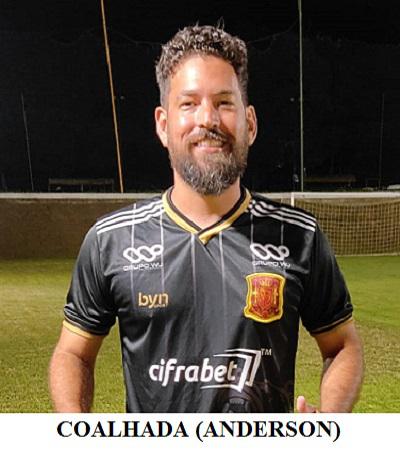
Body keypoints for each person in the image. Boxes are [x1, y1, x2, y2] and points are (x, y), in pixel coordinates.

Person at [49, 25, 364, 413]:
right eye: (189, 103)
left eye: (224, 103)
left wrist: (330, 420)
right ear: (163, 125)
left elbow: (342, 344)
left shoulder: (298, 236)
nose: (208, 119)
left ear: (250, 123)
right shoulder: (111, 241)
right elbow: (73, 352)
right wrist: (76, 428)